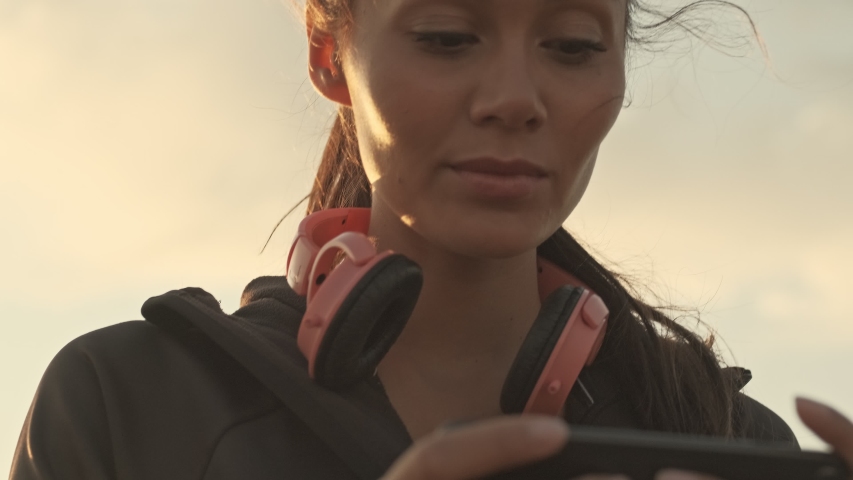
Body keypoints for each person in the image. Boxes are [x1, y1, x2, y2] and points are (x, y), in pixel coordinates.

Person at [10, 0, 853, 479]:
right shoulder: (129, 401)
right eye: (447, 37)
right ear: (328, 55)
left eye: (571, 47)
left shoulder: (717, 443)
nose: (514, 99)